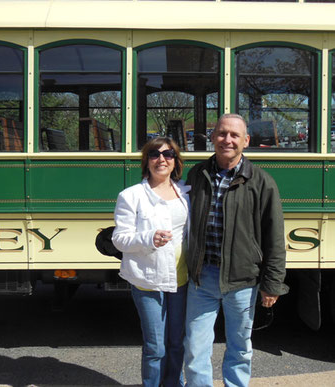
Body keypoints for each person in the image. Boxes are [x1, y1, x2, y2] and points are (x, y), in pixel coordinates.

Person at [183, 114, 289, 387]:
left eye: (234, 135)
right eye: (221, 134)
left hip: (242, 280)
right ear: (213, 137)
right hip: (201, 278)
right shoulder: (197, 174)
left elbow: (274, 238)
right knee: (195, 348)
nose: (227, 140)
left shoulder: (262, 182)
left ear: (246, 141)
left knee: (240, 348)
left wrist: (272, 283)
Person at [112, 136, 190, 387]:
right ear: (146, 160)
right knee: (156, 346)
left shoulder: (186, 193)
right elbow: (120, 239)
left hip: (181, 280)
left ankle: (174, 384)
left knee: (177, 343)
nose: (161, 159)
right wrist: (149, 238)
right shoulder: (130, 196)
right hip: (147, 281)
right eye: (155, 154)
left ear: (175, 161)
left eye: (168, 154)